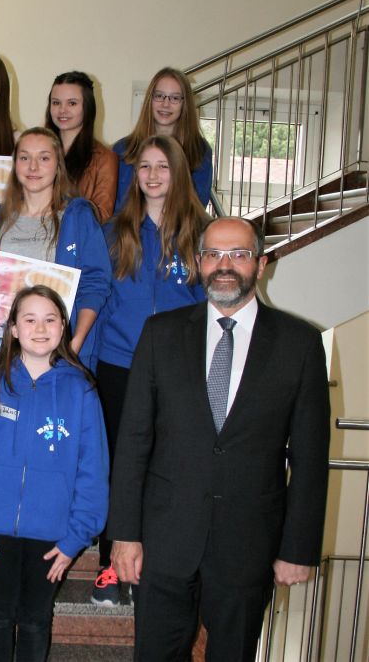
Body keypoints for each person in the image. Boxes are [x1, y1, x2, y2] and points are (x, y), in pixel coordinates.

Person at [107, 217, 330, 660]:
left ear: (261, 264)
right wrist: (125, 534)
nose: (224, 264)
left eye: (239, 254)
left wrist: (297, 547)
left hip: (248, 544)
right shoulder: (160, 334)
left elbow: (309, 458)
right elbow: (133, 441)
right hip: (164, 540)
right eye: (213, 254)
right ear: (198, 263)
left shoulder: (300, 344)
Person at [0, 285, 109, 662]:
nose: (40, 327)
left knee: (36, 620)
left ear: (64, 327)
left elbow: (92, 470)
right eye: (29, 319)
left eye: (50, 319)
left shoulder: (81, 390)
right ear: (13, 329)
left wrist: (75, 538)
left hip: (53, 535)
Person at [91, 135, 208, 607]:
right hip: (118, 365)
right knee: (119, 464)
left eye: (163, 166)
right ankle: (109, 566)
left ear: (179, 173)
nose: (154, 175)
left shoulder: (200, 234)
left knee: (168, 466)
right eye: (145, 167)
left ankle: (153, 566)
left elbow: (208, 306)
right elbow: (97, 302)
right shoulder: (116, 231)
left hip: (179, 370)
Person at [0, 127, 111, 367]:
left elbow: (96, 284)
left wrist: (74, 344)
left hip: (60, 352)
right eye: (25, 157)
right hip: (1, 352)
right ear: (15, 163)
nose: (33, 166)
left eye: (44, 158)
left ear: (58, 165)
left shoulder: (78, 216)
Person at [113, 67, 212, 213]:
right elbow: (118, 207)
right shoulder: (123, 149)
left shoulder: (199, 150)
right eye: (159, 96)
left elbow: (196, 208)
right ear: (149, 99)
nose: (165, 104)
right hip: (128, 233)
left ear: (185, 104)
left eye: (175, 98)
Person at [45, 71, 118, 223]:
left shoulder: (104, 158)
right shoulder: (36, 150)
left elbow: (103, 215)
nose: (62, 110)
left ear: (88, 107)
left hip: (74, 242)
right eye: (56, 102)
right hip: (31, 238)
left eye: (72, 103)